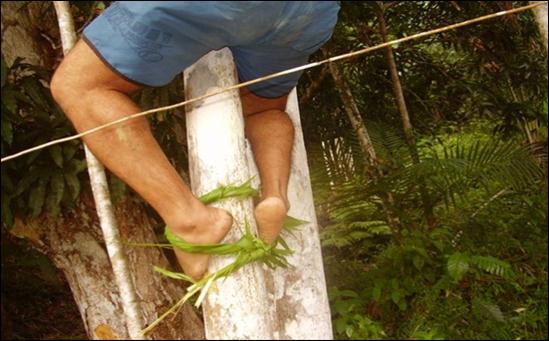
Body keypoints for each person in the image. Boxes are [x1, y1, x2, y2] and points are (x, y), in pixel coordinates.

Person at [50, 1, 340, 280]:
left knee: (80, 86)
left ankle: (189, 220)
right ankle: (275, 195)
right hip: (310, 11)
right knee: (263, 108)